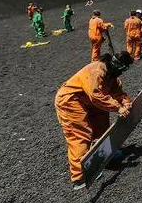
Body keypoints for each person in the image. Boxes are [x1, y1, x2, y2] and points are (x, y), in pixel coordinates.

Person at [54, 52, 133, 190]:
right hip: (70, 101)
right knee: (80, 134)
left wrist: (126, 103)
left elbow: (118, 92)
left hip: (87, 101)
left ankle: (105, 156)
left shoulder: (111, 76)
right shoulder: (97, 71)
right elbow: (96, 95)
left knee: (102, 125)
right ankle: (80, 176)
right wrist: (117, 107)